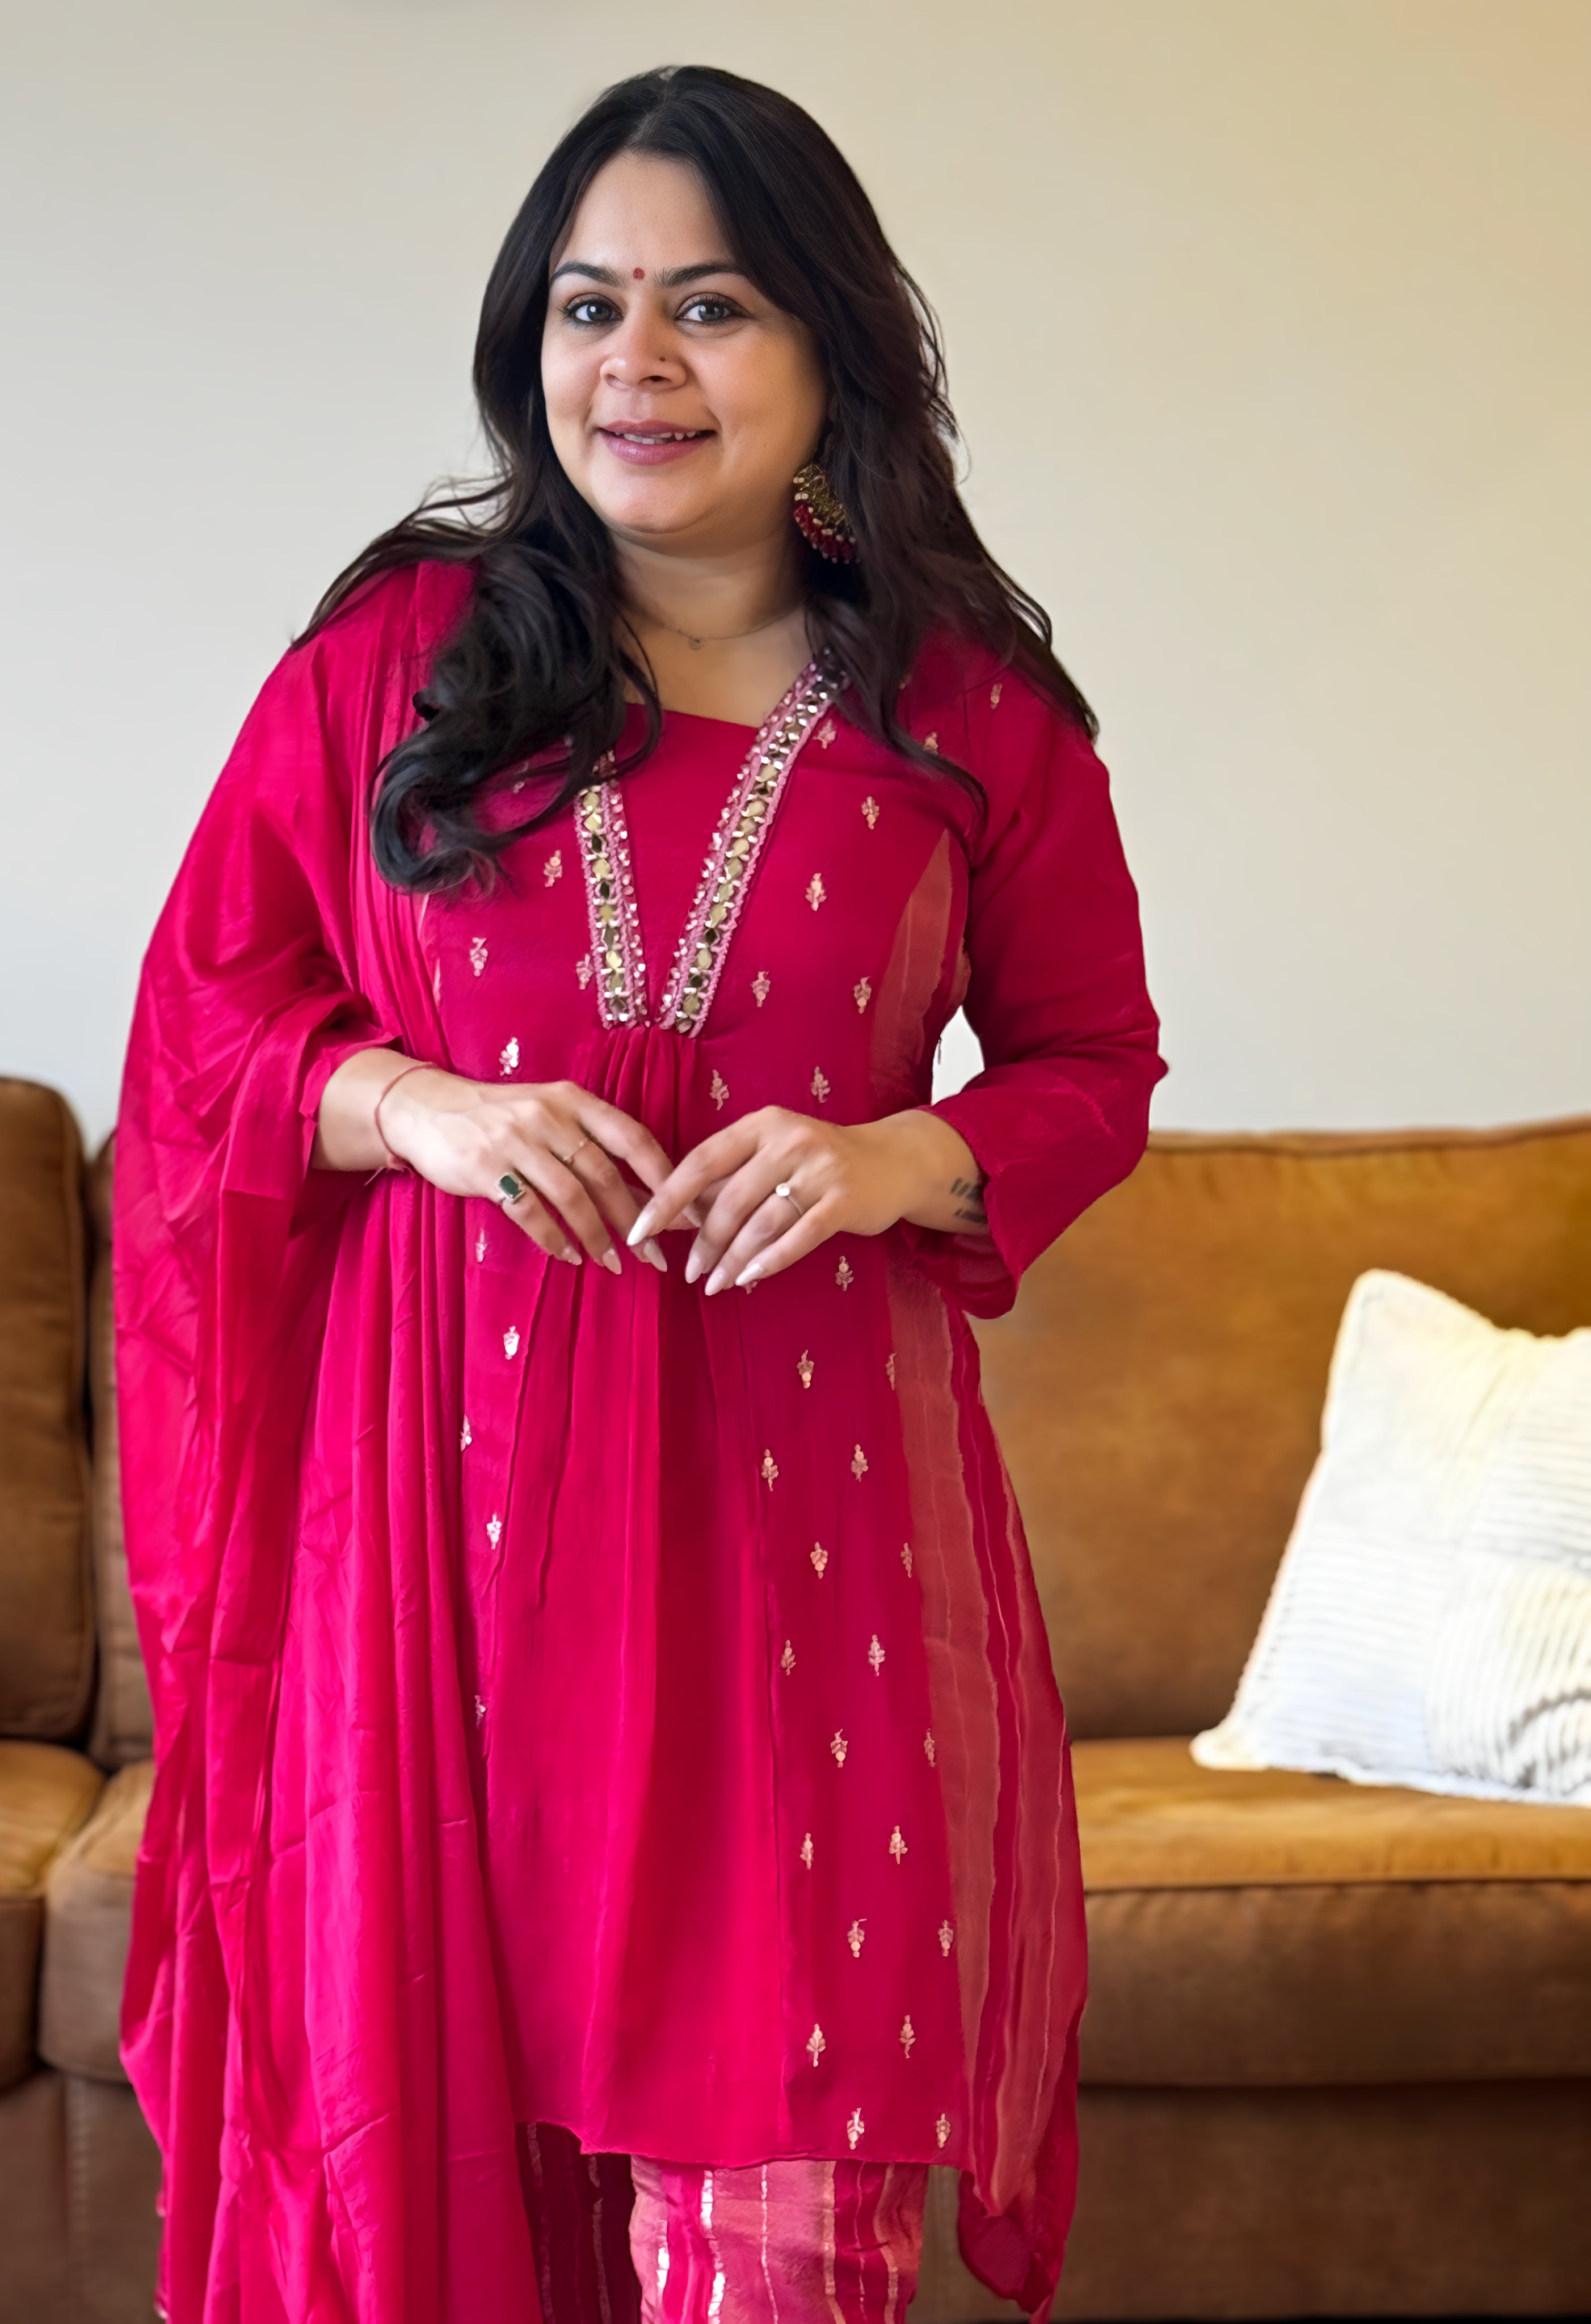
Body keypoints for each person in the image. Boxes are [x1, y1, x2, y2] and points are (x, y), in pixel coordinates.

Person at [114, 62, 1163, 2324]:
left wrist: (899, 1154)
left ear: (831, 350)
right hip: (445, 1566)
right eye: (589, 306)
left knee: (780, 2226)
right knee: (443, 2169)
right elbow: (205, 1032)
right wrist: (423, 1108)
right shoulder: (392, 669)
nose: (636, 363)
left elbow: (1096, 1067)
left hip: (818, 1566)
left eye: (709, 306)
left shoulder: (972, 714)